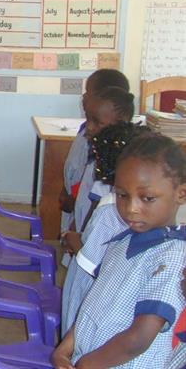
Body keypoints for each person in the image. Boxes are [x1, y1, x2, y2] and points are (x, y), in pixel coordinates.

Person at [52, 134, 186, 369]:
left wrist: (86, 364)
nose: (131, 208)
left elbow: (139, 338)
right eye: (122, 195)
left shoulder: (172, 257)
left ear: (181, 194)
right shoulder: (120, 242)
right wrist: (65, 348)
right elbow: (94, 303)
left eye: (147, 198)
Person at [60, 122, 150, 335]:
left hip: (94, 295)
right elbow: (93, 260)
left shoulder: (111, 209)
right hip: (92, 297)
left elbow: (88, 256)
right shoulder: (118, 210)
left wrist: (71, 238)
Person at [60, 87, 135, 265]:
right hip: (83, 235)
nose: (89, 128)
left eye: (97, 122)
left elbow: (96, 210)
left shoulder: (115, 168)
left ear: (121, 123)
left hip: (92, 245)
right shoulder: (99, 158)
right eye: (88, 119)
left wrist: (80, 238)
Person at [60, 69, 130, 235]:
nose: (84, 97)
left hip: (87, 222)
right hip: (77, 205)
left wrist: (77, 230)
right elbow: (74, 169)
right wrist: (66, 190)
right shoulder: (91, 133)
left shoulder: (110, 156)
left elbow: (96, 201)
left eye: (89, 92)